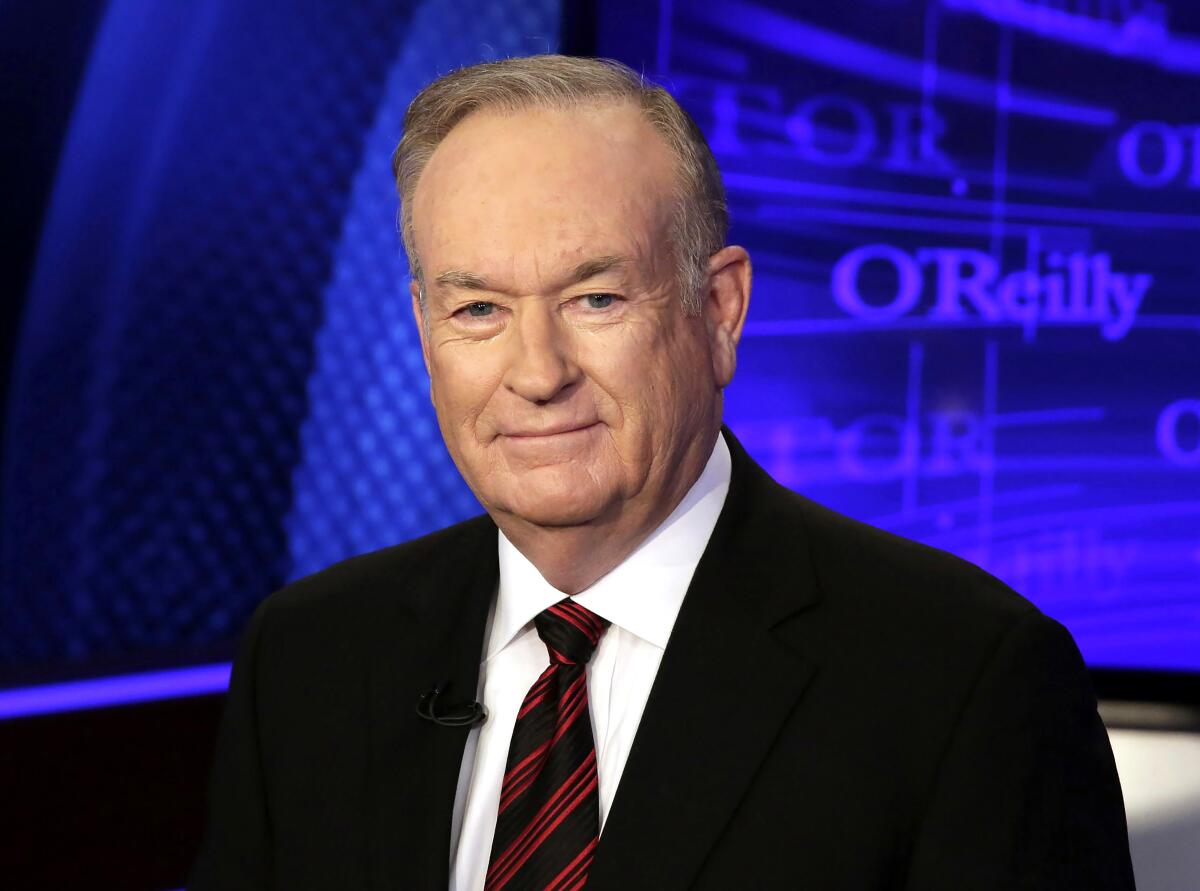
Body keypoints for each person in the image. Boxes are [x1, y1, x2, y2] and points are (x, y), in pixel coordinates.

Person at [190, 55, 1135, 891]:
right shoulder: (308, 657)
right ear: (423, 327)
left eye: (595, 297)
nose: (537, 372)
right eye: (478, 308)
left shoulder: (965, 681)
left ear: (718, 310)